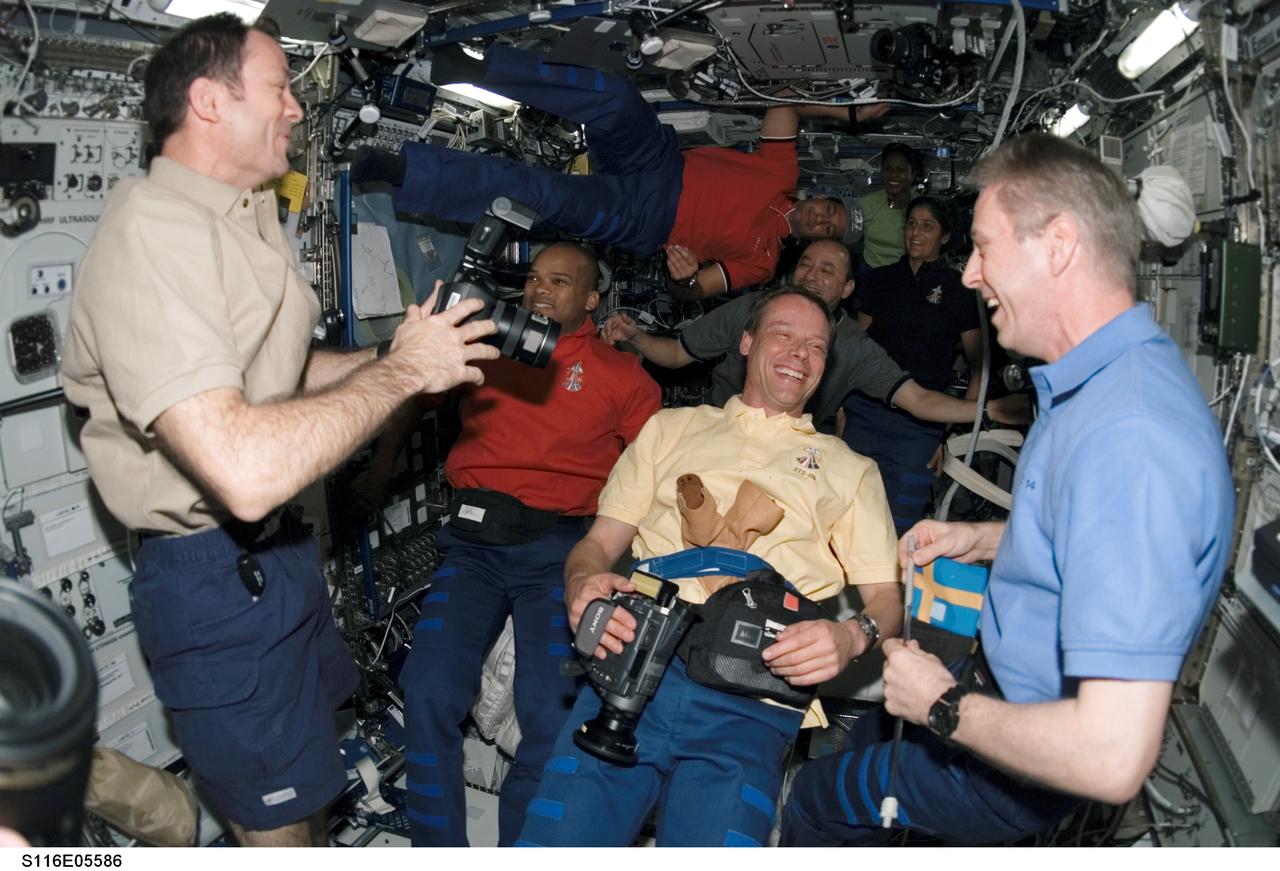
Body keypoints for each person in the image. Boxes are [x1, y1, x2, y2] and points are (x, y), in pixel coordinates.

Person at [58, 15, 499, 847]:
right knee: (275, 826)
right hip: (211, 580)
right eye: (280, 88)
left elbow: (278, 375)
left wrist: (396, 355)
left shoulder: (241, 213)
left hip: (279, 559)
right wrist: (404, 376)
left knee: (310, 782)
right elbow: (241, 468)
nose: (298, 109)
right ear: (208, 102)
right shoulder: (152, 239)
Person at [781, 134, 1235, 845]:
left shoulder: (1134, 439)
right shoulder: (1094, 384)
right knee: (865, 737)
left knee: (815, 796)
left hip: (1007, 764)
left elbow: (1112, 755)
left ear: (1057, 245)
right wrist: (984, 537)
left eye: (985, 248)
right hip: (981, 676)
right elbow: (1082, 528)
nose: (967, 274)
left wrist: (941, 704)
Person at [515, 286, 903, 847]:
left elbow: (887, 601)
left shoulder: (851, 468)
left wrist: (851, 636)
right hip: (634, 666)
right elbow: (596, 545)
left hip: (755, 695)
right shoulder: (671, 429)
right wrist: (582, 584)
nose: (800, 354)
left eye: (816, 346)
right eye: (784, 335)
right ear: (746, 343)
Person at [398, 242, 661, 846]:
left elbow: (654, 476)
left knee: (549, 713)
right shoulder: (482, 349)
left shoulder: (623, 378)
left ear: (591, 299)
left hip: (560, 553)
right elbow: (414, 399)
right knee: (428, 689)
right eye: (535, 278)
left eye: (560, 281)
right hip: (473, 545)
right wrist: (378, 471)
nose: (540, 290)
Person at [354, 43, 887, 298]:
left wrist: (684, 278)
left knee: (541, 195)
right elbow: (784, 104)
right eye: (828, 213)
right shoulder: (783, 173)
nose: (818, 221)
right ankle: (475, 66)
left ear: (810, 248)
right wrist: (848, 115)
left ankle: (400, 171)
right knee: (615, 97)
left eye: (825, 230)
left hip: (644, 220)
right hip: (660, 161)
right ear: (825, 197)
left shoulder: (764, 262)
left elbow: (694, 290)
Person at [603, 238, 1020, 433]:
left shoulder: (854, 349)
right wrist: (635, 337)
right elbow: (677, 354)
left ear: (847, 290)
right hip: (721, 429)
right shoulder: (750, 311)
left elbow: (919, 399)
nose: (811, 276)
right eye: (806, 264)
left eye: (827, 271)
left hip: (795, 451)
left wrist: (991, 410)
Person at [843, 195, 983, 534]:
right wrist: (843, 406)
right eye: (911, 224)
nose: (915, 233)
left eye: (927, 226)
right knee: (847, 514)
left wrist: (949, 435)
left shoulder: (960, 291)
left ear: (945, 236)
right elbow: (856, 346)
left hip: (919, 427)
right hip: (866, 413)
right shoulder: (881, 280)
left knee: (898, 528)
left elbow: (979, 367)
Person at [855, 142, 920, 283]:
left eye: (900, 170)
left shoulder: (922, 209)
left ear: (913, 175)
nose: (893, 175)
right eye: (888, 169)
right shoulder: (868, 203)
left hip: (908, 274)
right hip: (871, 272)